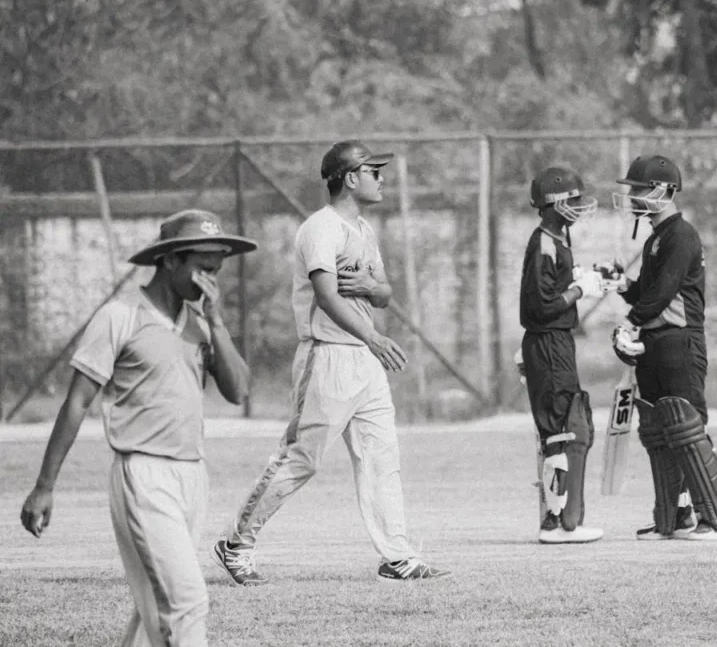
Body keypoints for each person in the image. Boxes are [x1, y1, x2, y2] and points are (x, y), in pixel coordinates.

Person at [212, 140, 449, 584]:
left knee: (382, 457)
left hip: (364, 360)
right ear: (350, 176)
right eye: (373, 170)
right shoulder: (321, 228)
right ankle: (236, 541)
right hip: (328, 356)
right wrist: (373, 334)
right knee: (302, 457)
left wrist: (368, 289)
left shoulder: (364, 230)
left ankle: (396, 556)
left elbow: (383, 294)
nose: (381, 178)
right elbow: (326, 294)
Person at [19, 209, 257, 646]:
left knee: (155, 601)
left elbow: (238, 391)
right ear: (169, 260)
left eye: (217, 270)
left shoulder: (202, 324)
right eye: (203, 268)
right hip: (142, 474)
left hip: (192, 473)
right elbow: (77, 401)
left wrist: (218, 323)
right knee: (186, 601)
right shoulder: (120, 316)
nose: (212, 280)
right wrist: (44, 485)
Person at [607, 153, 717, 542]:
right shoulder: (656, 238)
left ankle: (715, 518)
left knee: (687, 426)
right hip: (655, 342)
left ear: (663, 190)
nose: (633, 197)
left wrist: (629, 322)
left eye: (640, 189)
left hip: (680, 341)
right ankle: (676, 516)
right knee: (660, 431)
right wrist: (624, 285)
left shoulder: (682, 236)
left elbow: (663, 295)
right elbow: (648, 293)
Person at [516, 166, 605, 544]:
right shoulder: (544, 244)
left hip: (556, 342)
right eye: (571, 200)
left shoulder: (557, 239)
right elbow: (539, 308)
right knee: (561, 428)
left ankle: (566, 517)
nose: (578, 206)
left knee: (570, 422)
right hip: (549, 342)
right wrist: (580, 291)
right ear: (552, 203)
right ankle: (554, 522)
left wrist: (582, 278)